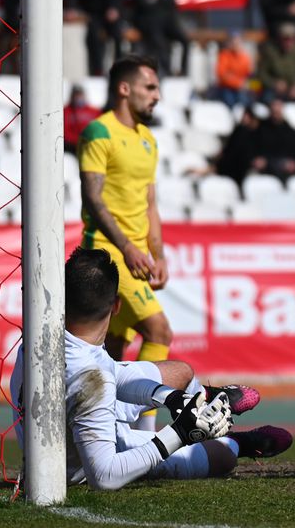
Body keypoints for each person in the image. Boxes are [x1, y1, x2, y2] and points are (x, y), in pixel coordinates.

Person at [9, 247, 291, 491]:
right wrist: (179, 434)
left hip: (77, 409)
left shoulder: (42, 334)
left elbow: (113, 375)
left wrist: (169, 397)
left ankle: (200, 401)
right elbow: (105, 476)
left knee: (181, 373)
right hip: (80, 464)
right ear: (117, 306)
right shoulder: (92, 376)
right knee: (223, 456)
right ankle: (238, 442)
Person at [77, 57, 174, 408]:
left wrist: (158, 254)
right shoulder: (99, 132)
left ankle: (111, 428)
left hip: (137, 257)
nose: (157, 96)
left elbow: (150, 204)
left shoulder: (147, 139)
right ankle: (144, 434)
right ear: (124, 88)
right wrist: (129, 249)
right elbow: (93, 196)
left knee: (115, 350)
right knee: (159, 332)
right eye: (150, 87)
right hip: (108, 253)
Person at [130, 0, 189, 76]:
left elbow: (171, 5)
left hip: (166, 22)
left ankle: (183, 70)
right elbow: (140, 2)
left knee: (184, 40)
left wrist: (156, 0)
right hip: (149, 23)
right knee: (159, 42)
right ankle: (166, 70)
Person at [254, 99, 295, 182]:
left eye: (279, 108)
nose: (276, 111)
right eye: (274, 108)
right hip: (271, 163)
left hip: (288, 162)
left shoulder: (289, 129)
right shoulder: (262, 128)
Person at [256, 23, 295, 103]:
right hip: (274, 91)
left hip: (293, 91)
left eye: (292, 39)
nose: (289, 42)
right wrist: (274, 83)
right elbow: (261, 73)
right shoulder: (270, 51)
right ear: (279, 39)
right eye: (285, 39)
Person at [212, 33, 253, 108]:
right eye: (233, 42)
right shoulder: (224, 55)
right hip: (226, 88)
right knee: (230, 101)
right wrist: (238, 83)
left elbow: (249, 75)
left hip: (241, 89)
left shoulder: (245, 57)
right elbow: (222, 75)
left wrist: (249, 84)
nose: (235, 44)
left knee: (247, 100)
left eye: (238, 42)